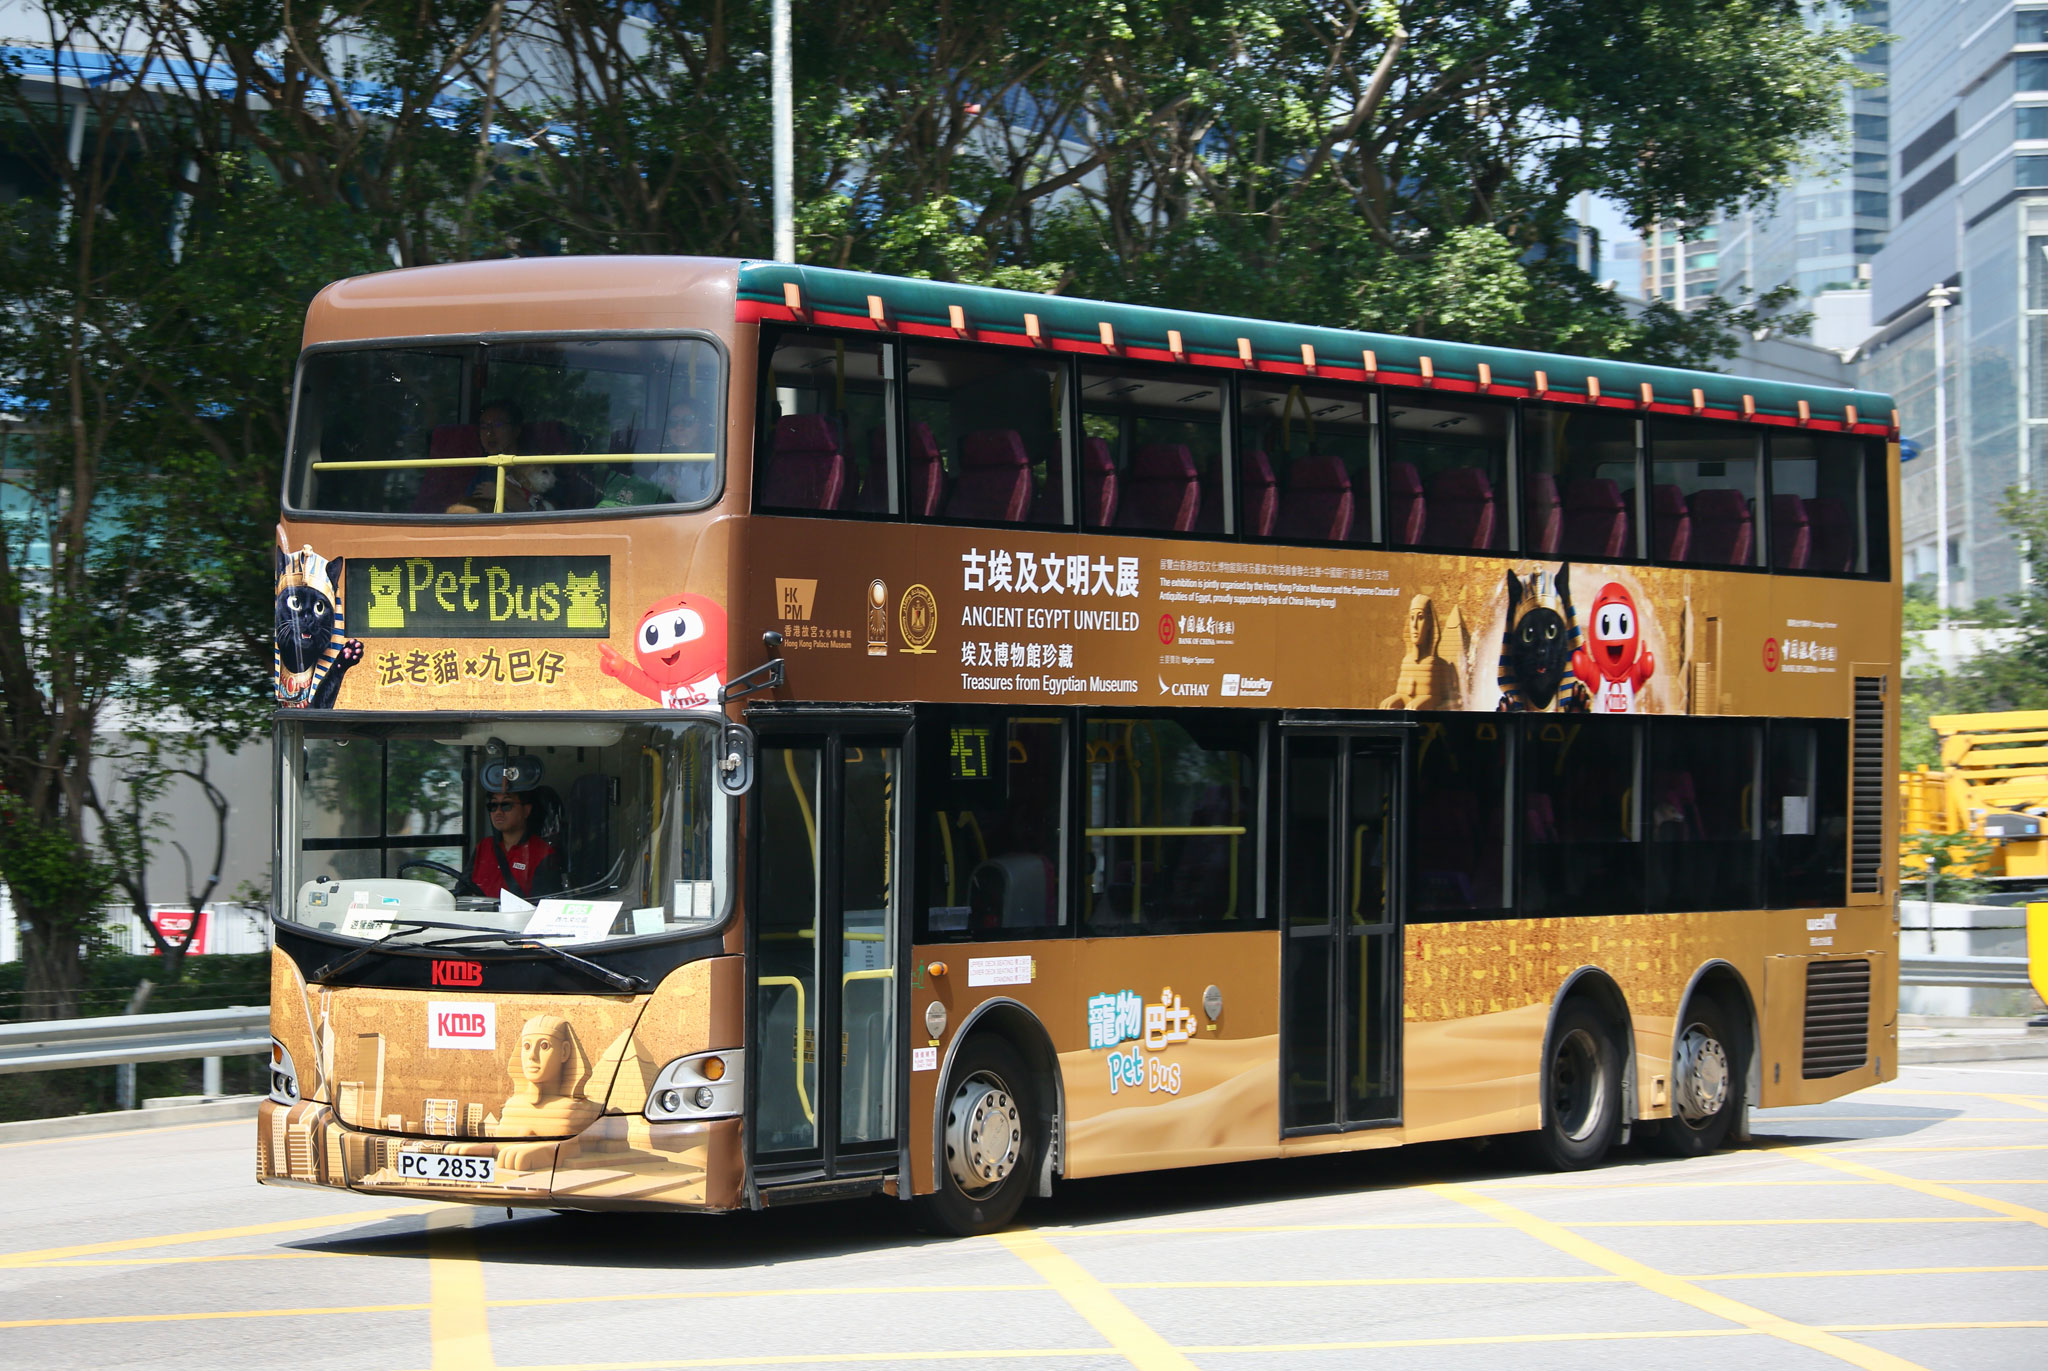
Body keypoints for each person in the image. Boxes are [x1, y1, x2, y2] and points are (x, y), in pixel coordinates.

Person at [447, 402, 558, 513]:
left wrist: (506, 495)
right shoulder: (484, 472)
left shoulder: (538, 466)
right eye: (484, 427)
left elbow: (551, 514)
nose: (489, 433)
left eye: (498, 425)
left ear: (516, 430)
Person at [469, 787, 563, 900]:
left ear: (526, 810)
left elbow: (543, 904)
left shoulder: (542, 853)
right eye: (493, 805)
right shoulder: (483, 846)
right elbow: (463, 889)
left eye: (506, 805)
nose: (498, 812)